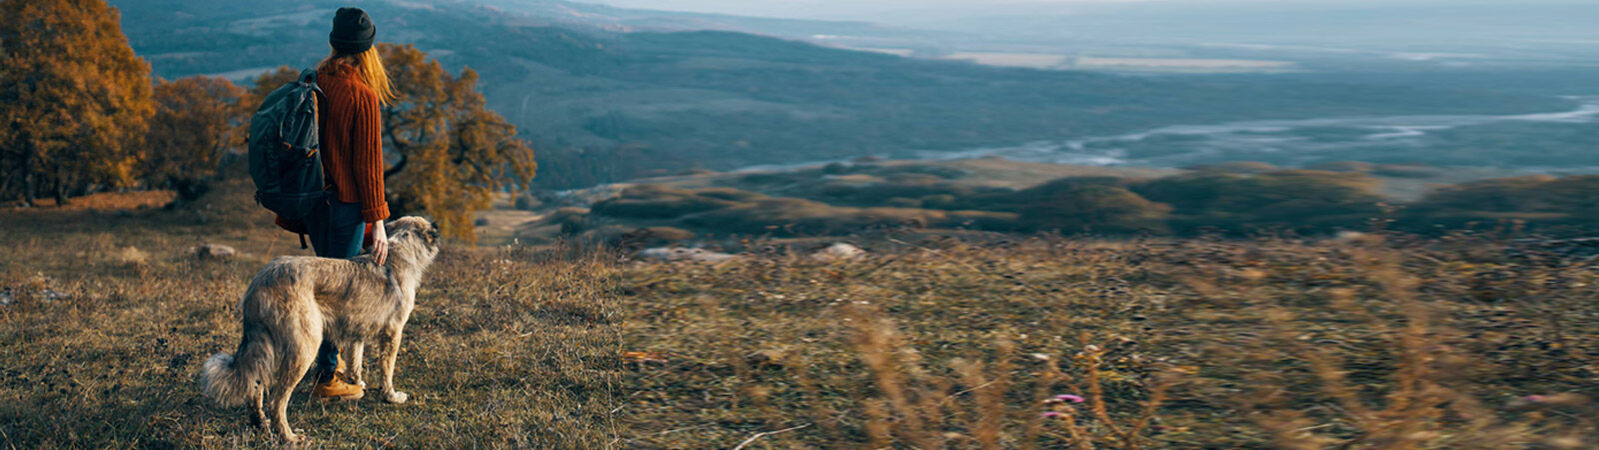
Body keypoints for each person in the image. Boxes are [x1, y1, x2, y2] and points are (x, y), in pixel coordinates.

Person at [275, 6, 393, 400]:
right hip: (344, 205)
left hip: (312, 201)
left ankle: (316, 362)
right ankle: (327, 378)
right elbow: (369, 166)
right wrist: (378, 221)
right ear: (367, 50)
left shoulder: (313, 81)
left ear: (332, 42)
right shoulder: (361, 94)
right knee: (338, 295)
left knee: (318, 290)